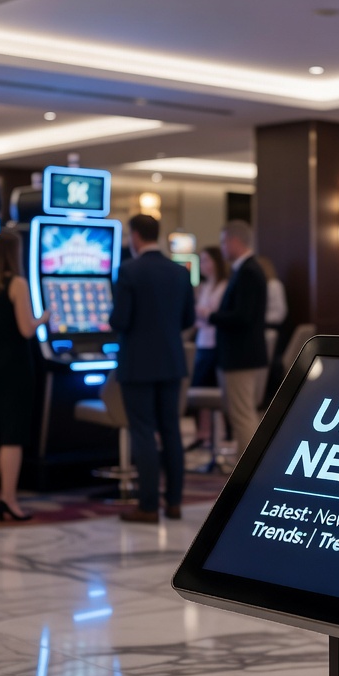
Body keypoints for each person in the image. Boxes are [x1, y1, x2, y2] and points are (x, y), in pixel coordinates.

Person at [109, 215, 196, 523]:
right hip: (171, 361)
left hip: (138, 363)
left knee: (143, 432)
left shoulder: (129, 270)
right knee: (171, 430)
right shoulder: (179, 271)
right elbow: (188, 319)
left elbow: (120, 320)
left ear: (135, 236)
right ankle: (174, 503)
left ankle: (148, 506)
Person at [0, 233, 47, 522]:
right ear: (14, 253)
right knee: (12, 435)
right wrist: (43, 318)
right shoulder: (17, 283)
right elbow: (26, 329)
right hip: (14, 363)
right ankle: (9, 499)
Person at [209, 220, 268, 456]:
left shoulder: (248, 272)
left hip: (241, 357)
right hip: (242, 355)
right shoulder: (247, 270)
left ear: (234, 241)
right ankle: (247, 465)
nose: (222, 248)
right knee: (243, 414)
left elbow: (242, 317)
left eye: (223, 242)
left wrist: (210, 316)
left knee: (242, 416)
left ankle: (249, 468)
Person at [188, 245, 228, 451]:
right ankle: (203, 433)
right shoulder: (203, 286)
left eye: (206, 260)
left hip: (217, 343)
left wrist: (206, 313)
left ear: (216, 262)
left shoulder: (224, 286)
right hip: (202, 341)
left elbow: (219, 315)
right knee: (199, 387)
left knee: (212, 389)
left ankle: (217, 434)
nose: (203, 265)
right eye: (201, 261)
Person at [256, 254, 288, 408]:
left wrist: (259, 319)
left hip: (272, 329)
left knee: (271, 364)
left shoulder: (274, 285)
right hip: (262, 328)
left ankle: (269, 398)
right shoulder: (261, 285)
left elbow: (280, 312)